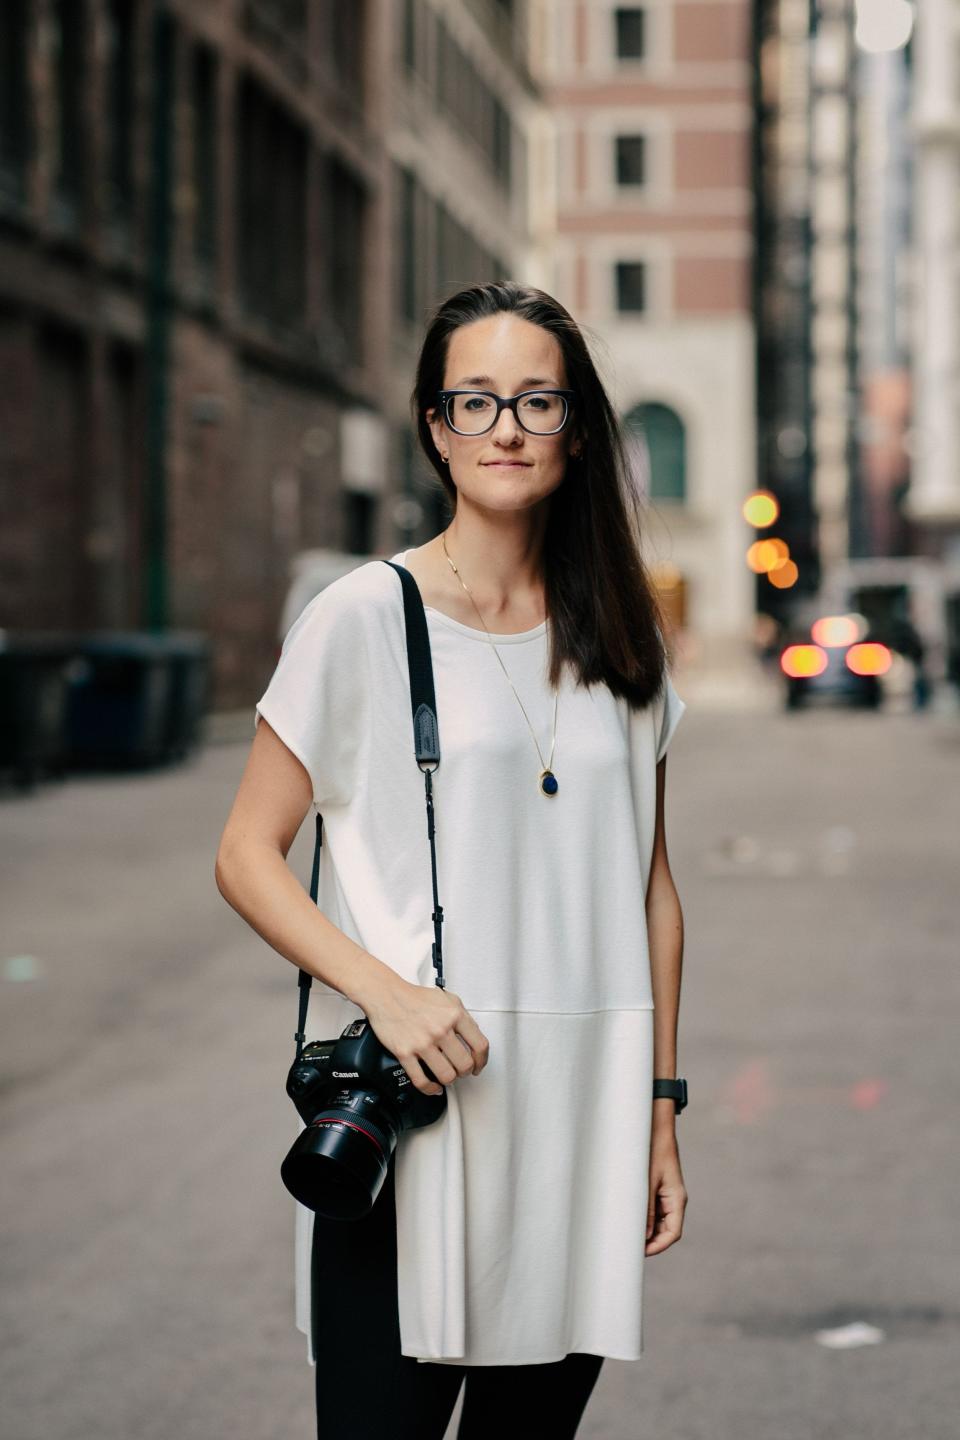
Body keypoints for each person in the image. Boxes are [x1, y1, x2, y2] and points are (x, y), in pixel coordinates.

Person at [215, 280, 689, 1439]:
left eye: (536, 400)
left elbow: (653, 890)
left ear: (576, 428)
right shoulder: (363, 617)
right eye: (474, 402)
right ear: (434, 428)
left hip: (577, 1121)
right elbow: (245, 851)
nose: (507, 428)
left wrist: (662, 1109)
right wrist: (387, 995)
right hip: (418, 1111)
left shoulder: (623, 635)